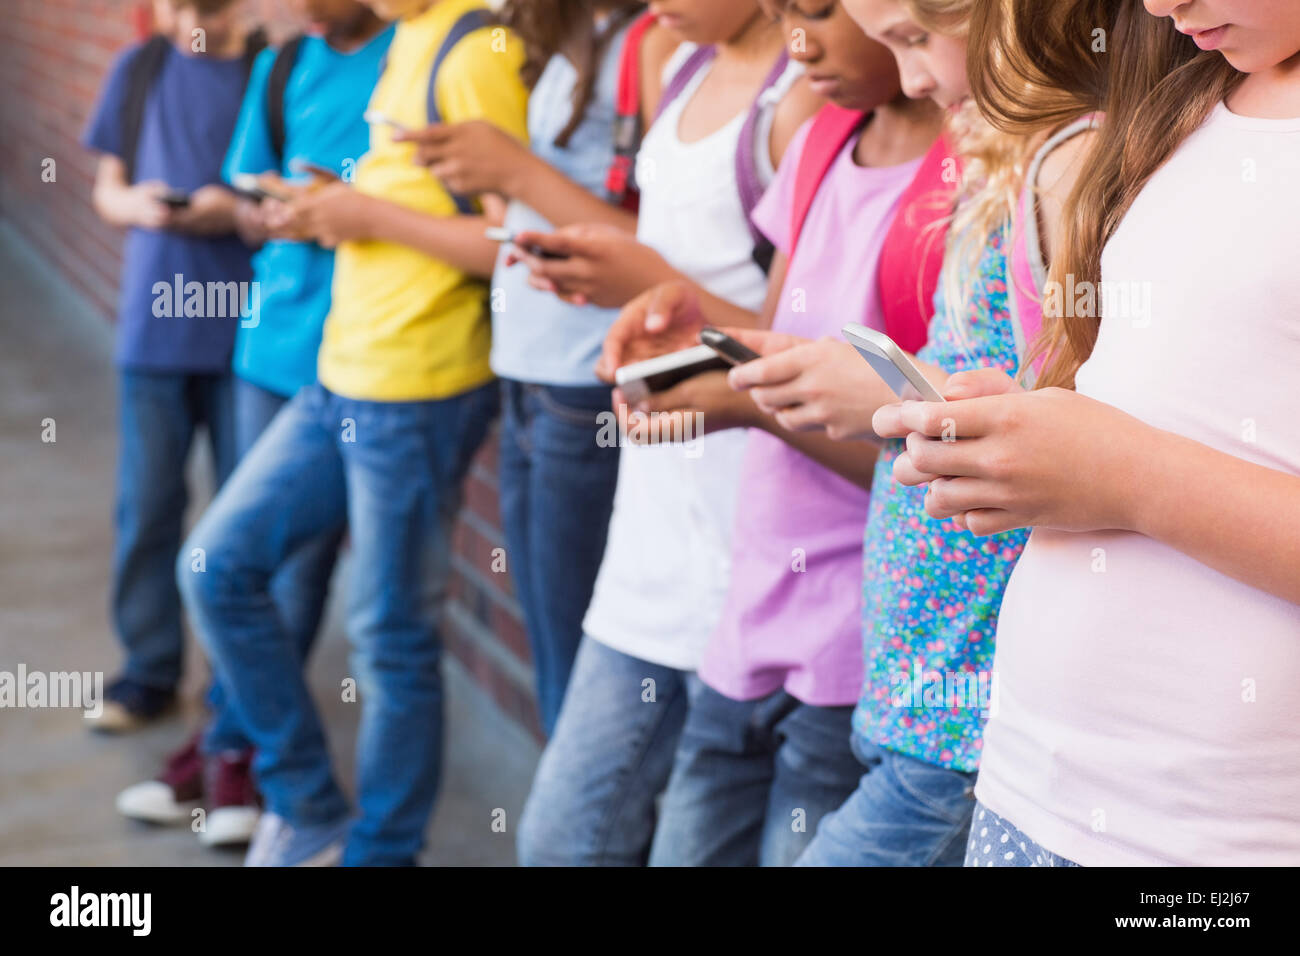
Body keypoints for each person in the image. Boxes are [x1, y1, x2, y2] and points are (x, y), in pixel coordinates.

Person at [878, 0, 1300, 867]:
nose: (1157, 5)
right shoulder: (1191, 98)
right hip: (1032, 784)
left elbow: (1140, 460)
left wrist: (1126, 475)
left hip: (1217, 848)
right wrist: (1034, 431)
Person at [718, 0, 1093, 865]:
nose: (914, 77)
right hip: (911, 696)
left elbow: (1078, 435)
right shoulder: (998, 165)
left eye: (920, 39)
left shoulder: (1068, 167)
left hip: (965, 725)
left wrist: (894, 409)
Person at [177, 0, 528, 866]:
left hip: (418, 390)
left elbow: (520, 241)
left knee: (388, 638)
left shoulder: (475, 44)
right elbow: (408, 203)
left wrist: (367, 220)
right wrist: (337, 206)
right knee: (217, 567)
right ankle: (308, 806)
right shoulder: (408, 36)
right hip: (339, 373)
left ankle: (382, 850)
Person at [603, 0, 945, 866]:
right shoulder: (824, 140)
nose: (799, 43)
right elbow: (773, 337)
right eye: (787, 11)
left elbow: (928, 460)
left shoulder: (964, 183)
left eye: (825, 13)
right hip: (751, 608)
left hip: (857, 638)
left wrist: (745, 401)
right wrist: (690, 347)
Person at [514, 0, 821, 865]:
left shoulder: (802, 95)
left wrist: (650, 282)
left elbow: (794, 339)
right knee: (561, 836)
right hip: (650, 532)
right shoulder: (668, 60)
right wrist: (630, 288)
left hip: (750, 528)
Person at [112, 0, 393, 848]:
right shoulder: (283, 67)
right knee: (227, 562)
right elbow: (243, 200)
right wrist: (265, 215)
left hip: (350, 362)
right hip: (264, 351)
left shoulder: (412, 61)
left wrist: (350, 215)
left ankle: (237, 754)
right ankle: (234, 748)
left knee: (292, 580)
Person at [398, 1, 674, 735]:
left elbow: (659, 244)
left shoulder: (651, 44)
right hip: (529, 370)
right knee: (556, 641)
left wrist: (513, 168)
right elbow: (534, 214)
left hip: (585, 384)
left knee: (576, 663)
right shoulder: (571, 43)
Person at [82, 0, 264, 732]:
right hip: (154, 334)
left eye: (208, 6)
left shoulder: (267, 73)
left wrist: (236, 210)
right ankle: (148, 670)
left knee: (236, 521)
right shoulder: (141, 67)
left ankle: (237, 683)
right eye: (177, 4)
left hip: (245, 342)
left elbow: (288, 196)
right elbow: (107, 190)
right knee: (149, 505)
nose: (191, 18)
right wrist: (140, 206)